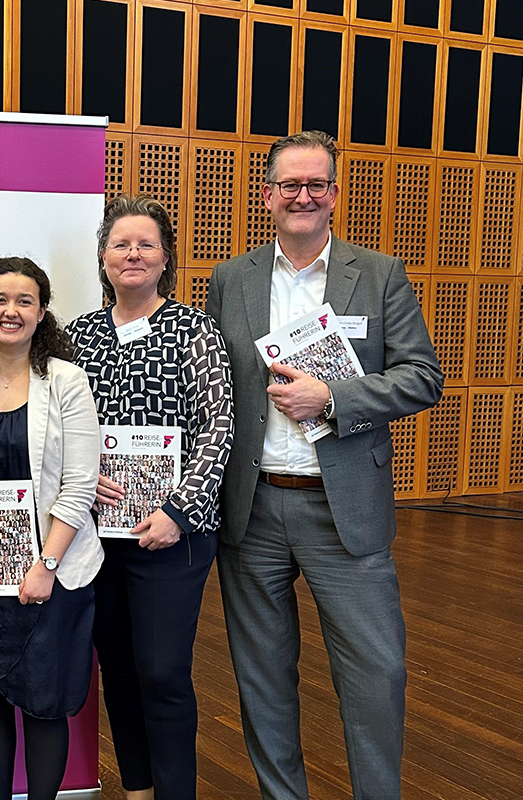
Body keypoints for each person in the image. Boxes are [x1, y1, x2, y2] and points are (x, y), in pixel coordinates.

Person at [205, 130, 444, 800]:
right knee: (262, 678)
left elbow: (422, 377)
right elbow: (212, 387)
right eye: (290, 185)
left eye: (316, 184)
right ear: (268, 197)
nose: (303, 195)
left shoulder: (379, 274)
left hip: (343, 512)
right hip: (251, 512)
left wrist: (333, 397)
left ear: (335, 194)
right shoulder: (231, 279)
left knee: (377, 672)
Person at [66, 194, 233, 799]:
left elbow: (219, 426)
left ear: (166, 258)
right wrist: (76, 492)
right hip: (96, 535)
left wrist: (178, 511)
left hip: (171, 537)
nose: (132, 254)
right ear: (103, 259)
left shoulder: (195, 329)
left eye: (146, 244)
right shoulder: (75, 337)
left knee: (163, 672)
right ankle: (137, 789)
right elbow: (58, 432)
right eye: (120, 244)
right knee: (118, 671)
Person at [0, 257, 103, 800]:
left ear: (42, 312)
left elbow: (79, 485)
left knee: (44, 701)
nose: (11, 311)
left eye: (24, 301)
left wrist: (47, 566)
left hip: (50, 574)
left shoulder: (66, 381)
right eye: (0, 299)